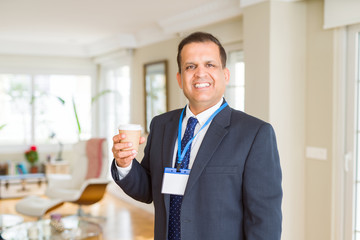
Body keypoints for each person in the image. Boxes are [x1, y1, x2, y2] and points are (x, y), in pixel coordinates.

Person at [111, 31, 282, 240]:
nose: (200, 73)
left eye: (210, 65)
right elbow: (148, 189)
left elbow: (264, 221)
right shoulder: (161, 125)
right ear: (180, 79)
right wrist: (125, 164)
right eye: (190, 66)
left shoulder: (255, 134)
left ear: (225, 75)